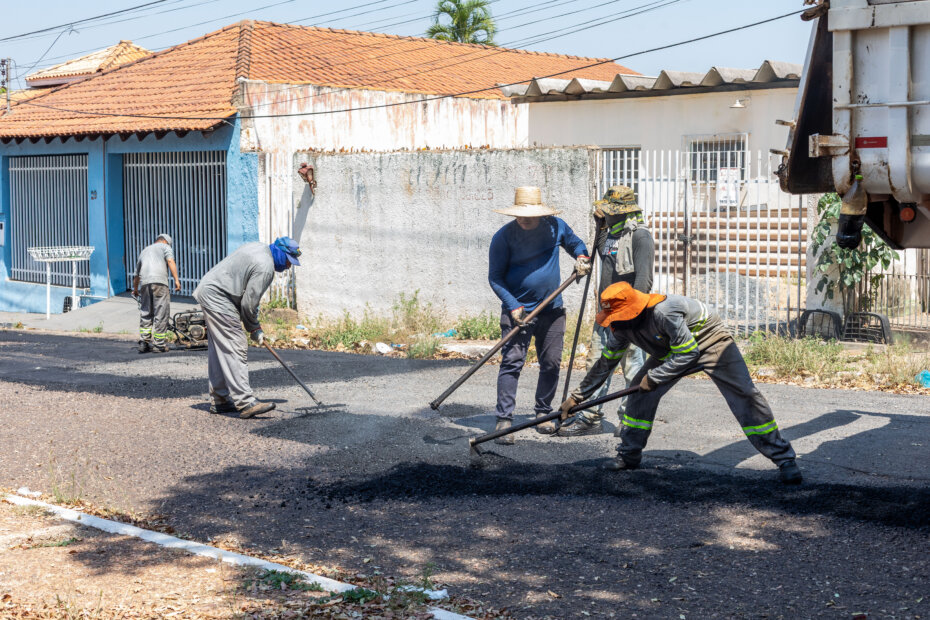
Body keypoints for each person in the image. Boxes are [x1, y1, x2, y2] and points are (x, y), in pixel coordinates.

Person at [559, 282, 802, 484]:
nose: (614, 323)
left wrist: (654, 377)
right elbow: (605, 364)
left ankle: (784, 459)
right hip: (671, 347)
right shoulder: (620, 328)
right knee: (639, 394)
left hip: (710, 341)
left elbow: (689, 354)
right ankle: (629, 456)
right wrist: (577, 397)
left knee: (745, 395)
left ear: (635, 310)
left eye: (618, 317)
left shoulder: (664, 312)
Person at [488, 186, 591, 444]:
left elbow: (577, 244)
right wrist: (513, 305)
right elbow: (495, 277)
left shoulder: (556, 227)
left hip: (552, 309)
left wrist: (581, 256)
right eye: (520, 215)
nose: (525, 219)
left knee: (552, 362)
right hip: (518, 311)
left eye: (530, 215)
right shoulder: (503, 238)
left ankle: (543, 413)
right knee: (512, 362)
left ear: (541, 214)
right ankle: (505, 419)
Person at [558, 185, 655, 437]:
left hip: (630, 316)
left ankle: (630, 421)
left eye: (608, 211)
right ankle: (590, 417)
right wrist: (598, 226)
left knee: (632, 368)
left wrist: (633, 319)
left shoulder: (640, 236)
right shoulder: (612, 233)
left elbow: (644, 281)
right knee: (597, 364)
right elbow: (604, 254)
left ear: (622, 212)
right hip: (607, 314)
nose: (604, 213)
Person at [193, 237, 301, 419]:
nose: (289, 267)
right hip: (219, 297)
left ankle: (220, 400)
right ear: (281, 254)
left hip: (210, 291)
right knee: (235, 344)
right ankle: (244, 402)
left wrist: (253, 326)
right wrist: (254, 328)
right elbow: (248, 305)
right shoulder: (265, 267)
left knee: (221, 349)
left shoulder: (258, 247)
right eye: (289, 261)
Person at [133, 234, 181, 354]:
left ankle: (144, 343)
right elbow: (170, 260)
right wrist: (176, 280)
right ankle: (159, 345)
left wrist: (135, 289)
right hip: (159, 282)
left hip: (145, 283)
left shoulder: (144, 251)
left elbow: (137, 275)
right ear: (166, 242)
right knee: (161, 313)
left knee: (146, 312)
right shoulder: (165, 247)